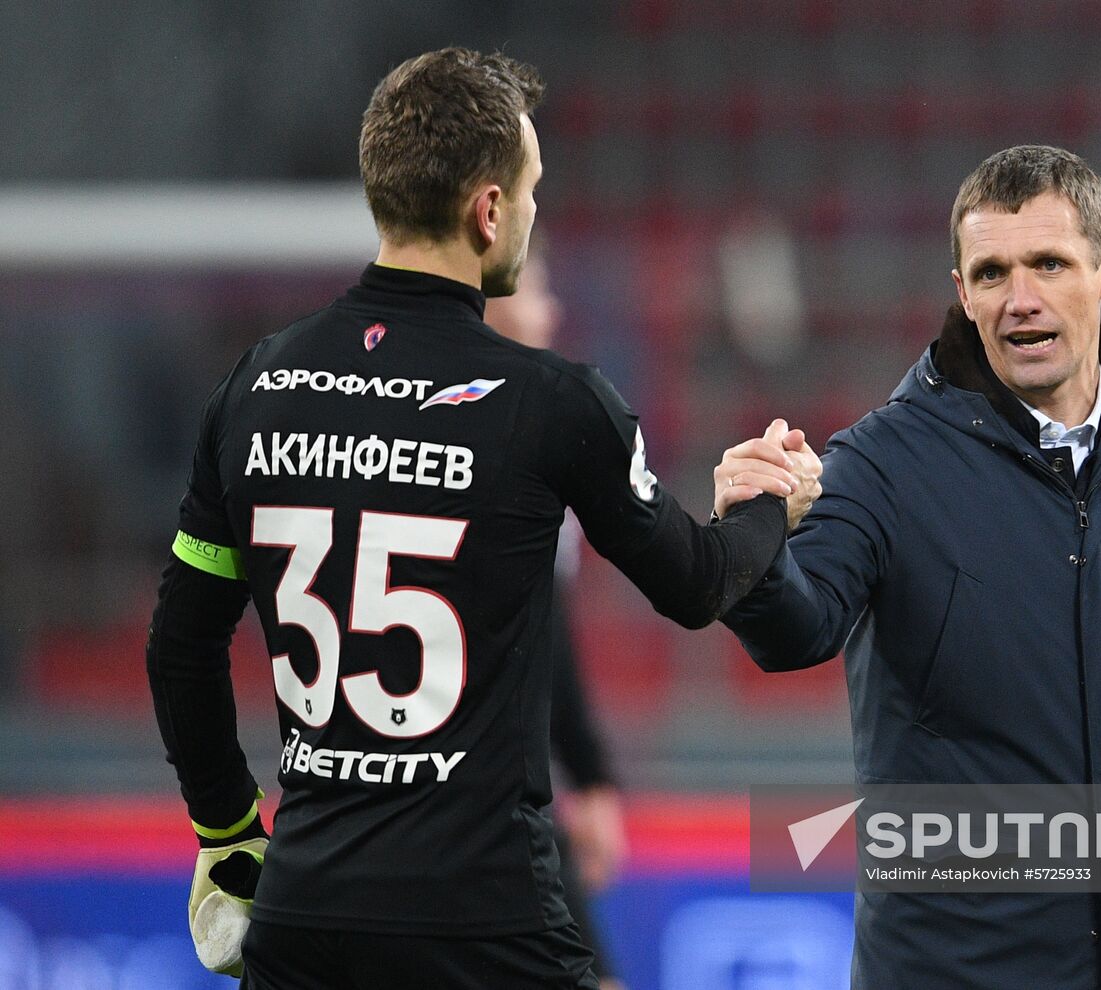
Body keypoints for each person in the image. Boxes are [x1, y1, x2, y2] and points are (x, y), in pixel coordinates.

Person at [145, 48, 819, 990]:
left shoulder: (258, 385)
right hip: (485, 925)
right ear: (489, 209)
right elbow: (700, 584)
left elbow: (180, 644)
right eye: (533, 190)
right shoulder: (552, 401)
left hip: (304, 922)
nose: (536, 216)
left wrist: (226, 834)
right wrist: (764, 507)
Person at [723, 145, 1101, 988]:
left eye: (1049, 264)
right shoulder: (881, 464)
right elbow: (794, 629)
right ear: (961, 291)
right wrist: (754, 536)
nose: (1019, 300)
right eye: (991, 273)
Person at [488, 245, 630, 990]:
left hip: (496, 790)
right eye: (536, 286)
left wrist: (589, 774)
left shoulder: (531, 420)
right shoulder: (517, 436)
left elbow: (546, 634)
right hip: (487, 798)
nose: (554, 308)